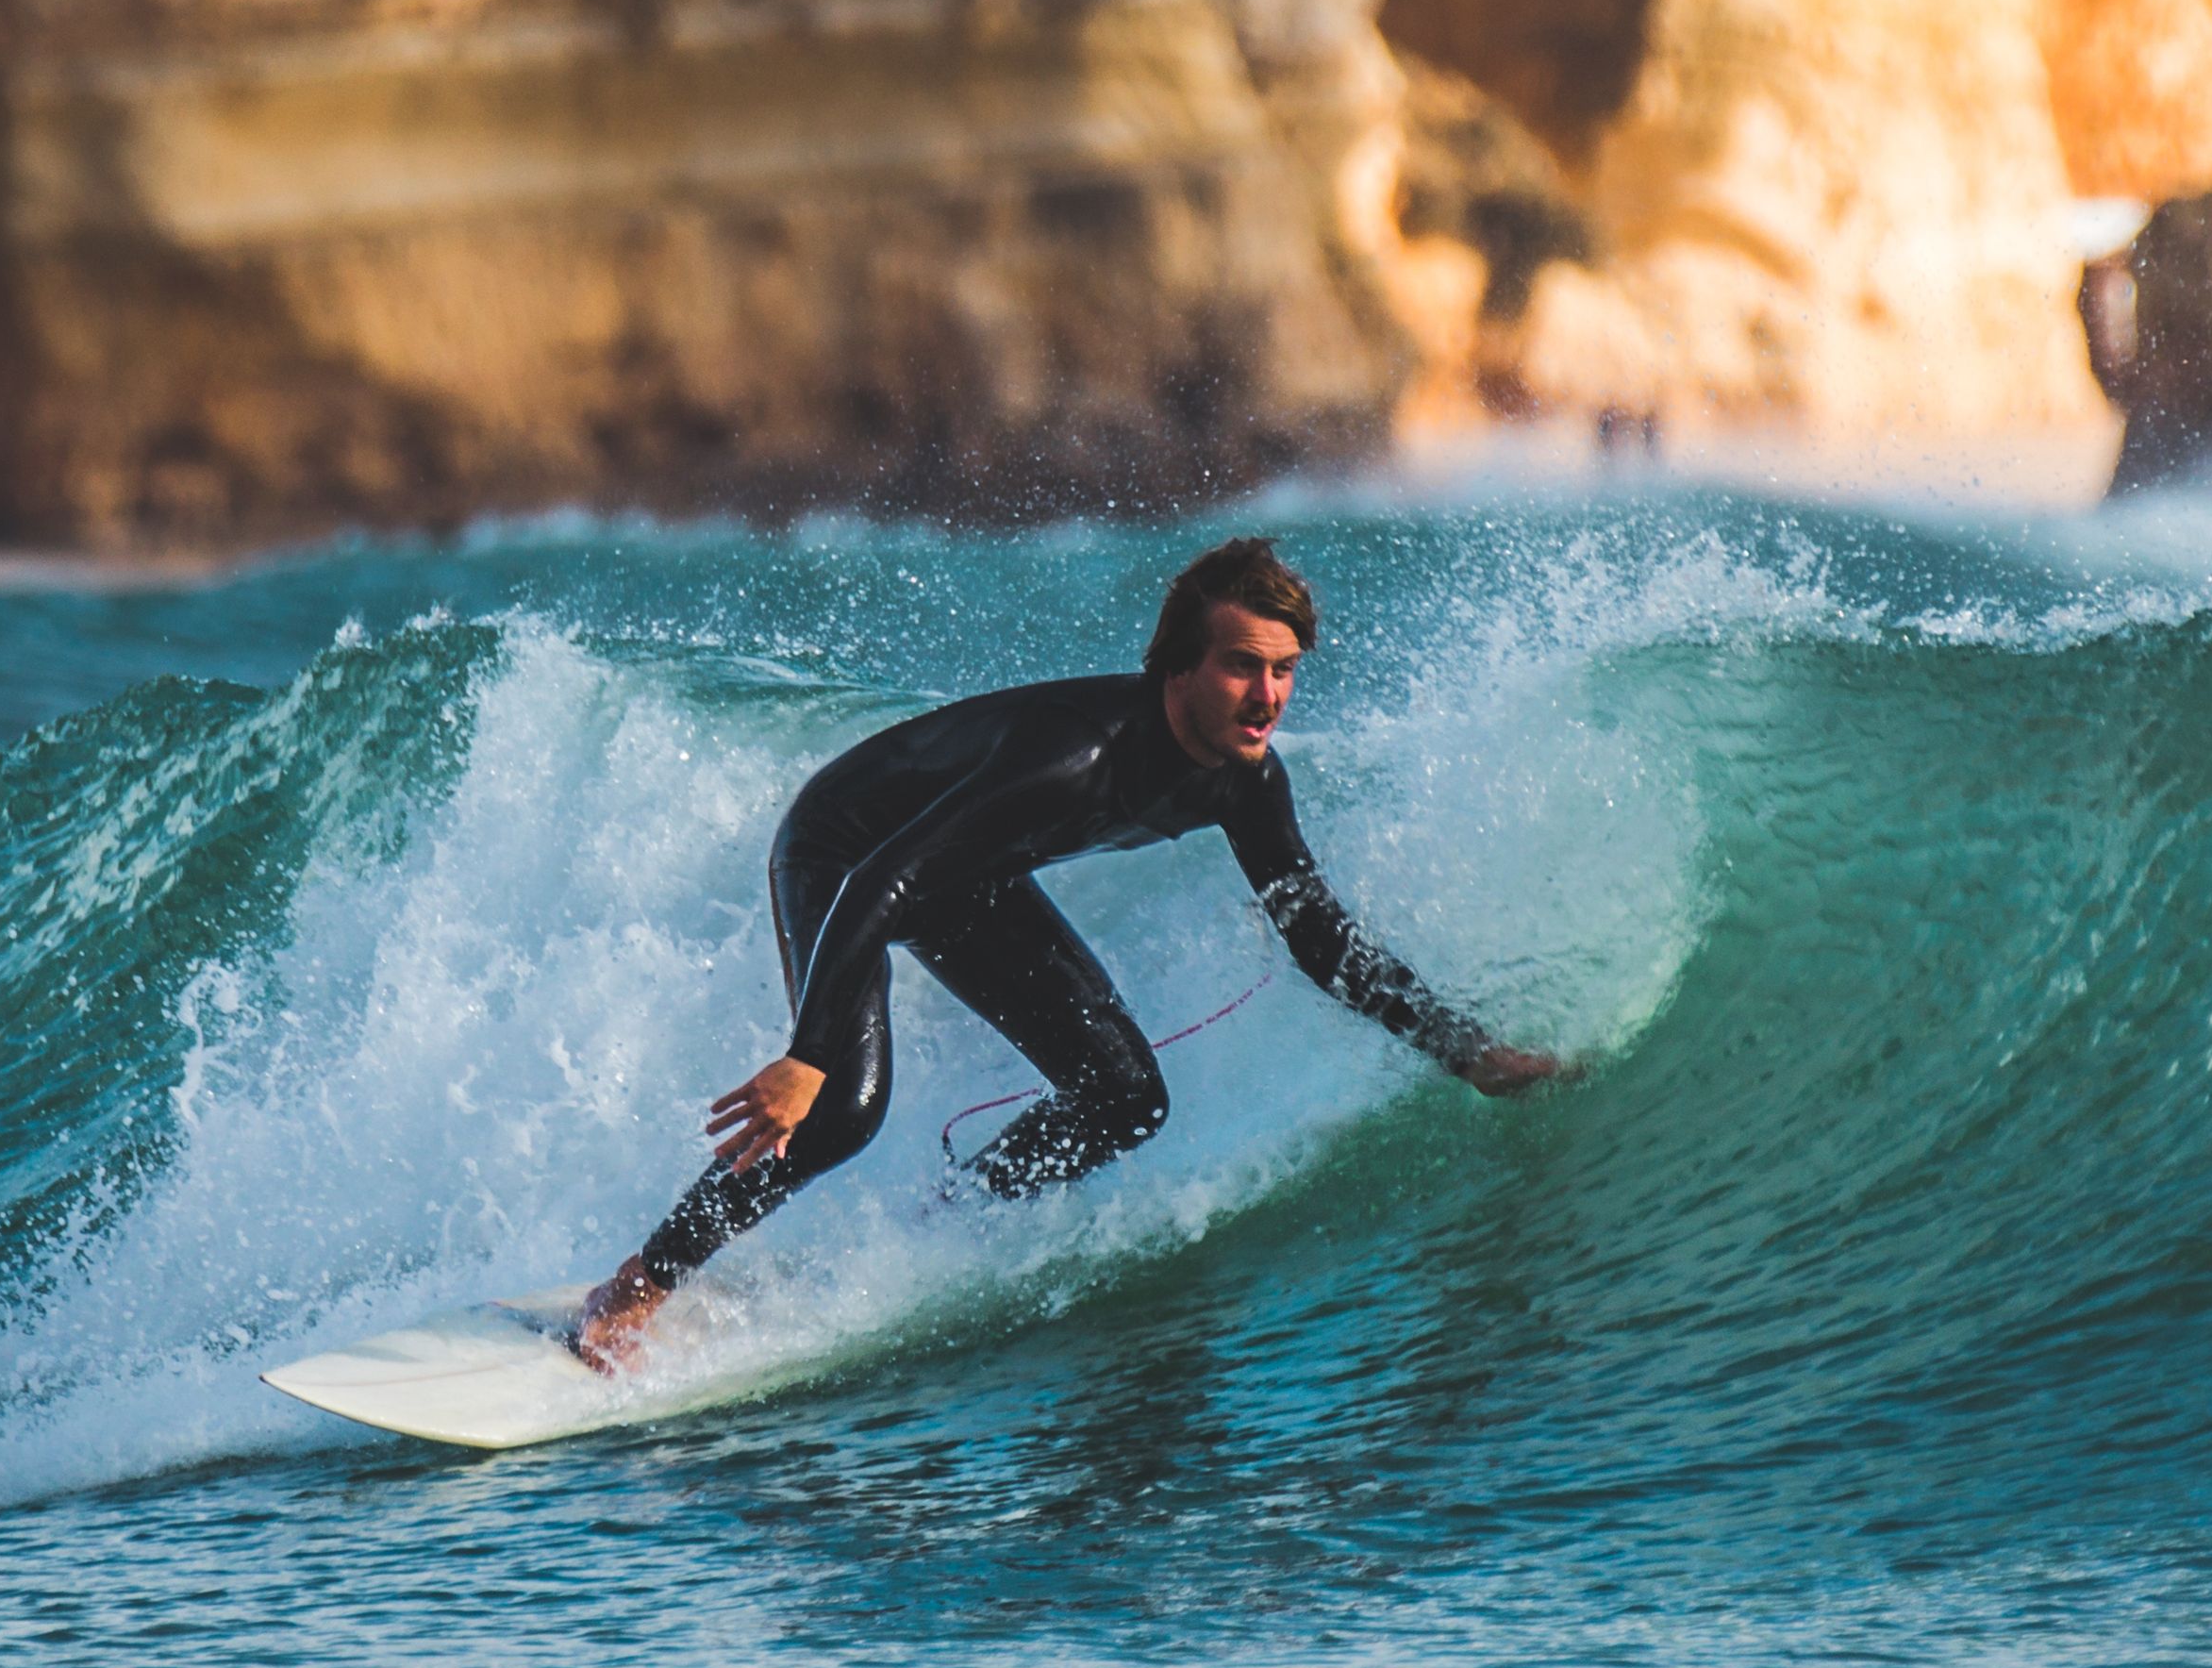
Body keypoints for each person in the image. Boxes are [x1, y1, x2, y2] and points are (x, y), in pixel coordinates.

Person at [570, 539, 1572, 1368]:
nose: (1266, 695)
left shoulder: (1244, 779)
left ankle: (941, 1225)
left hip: (967, 875)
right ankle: (634, 1290)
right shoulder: (1077, 755)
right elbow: (889, 881)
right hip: (851, 846)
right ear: (1176, 668)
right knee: (841, 1109)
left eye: (1284, 669)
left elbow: (1319, 937)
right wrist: (809, 1054)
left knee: (1125, 1093)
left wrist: (1463, 1050)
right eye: (1241, 665)